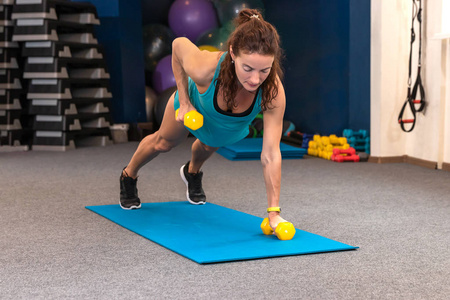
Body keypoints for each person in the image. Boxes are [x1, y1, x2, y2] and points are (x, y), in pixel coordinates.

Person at [120, 8, 290, 231]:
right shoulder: (205, 69)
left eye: (264, 70)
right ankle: (128, 175)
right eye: (247, 68)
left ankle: (191, 173)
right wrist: (184, 99)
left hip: (226, 126)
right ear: (232, 53)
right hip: (195, 104)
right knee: (163, 142)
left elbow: (270, 154)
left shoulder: (273, 92)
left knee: (210, 144)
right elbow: (178, 45)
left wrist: (274, 213)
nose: (255, 79)